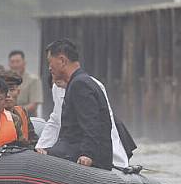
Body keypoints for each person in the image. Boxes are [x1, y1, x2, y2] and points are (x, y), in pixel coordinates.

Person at [36, 38, 130, 169]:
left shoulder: (80, 84)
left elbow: (92, 123)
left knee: (43, 159)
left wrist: (88, 154)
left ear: (62, 61)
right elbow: (56, 120)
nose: (49, 68)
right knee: (41, 155)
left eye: (50, 62)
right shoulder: (77, 82)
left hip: (85, 155)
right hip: (71, 149)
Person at [0, 69, 38, 144]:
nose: (8, 95)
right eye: (3, 90)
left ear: (18, 92)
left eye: (12, 90)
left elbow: (33, 139)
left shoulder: (22, 112)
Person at [35, 77, 67, 149]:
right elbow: (55, 120)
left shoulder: (88, 84)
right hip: (64, 145)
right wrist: (41, 146)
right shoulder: (56, 87)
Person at [8, 50, 42, 117]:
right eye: (12, 62)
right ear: (9, 64)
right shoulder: (4, 80)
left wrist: (15, 112)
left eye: (18, 62)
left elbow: (33, 105)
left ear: (24, 63)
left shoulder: (34, 80)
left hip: (28, 117)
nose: (15, 65)